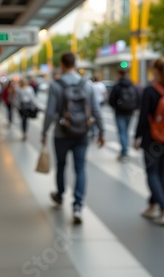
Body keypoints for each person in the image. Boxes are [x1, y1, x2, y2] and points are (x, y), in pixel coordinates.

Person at [41, 52, 105, 225]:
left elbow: (50, 112)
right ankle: (77, 206)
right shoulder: (87, 84)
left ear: (62, 64)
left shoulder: (55, 85)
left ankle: (60, 195)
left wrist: (44, 132)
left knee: (61, 165)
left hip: (61, 134)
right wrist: (102, 131)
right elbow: (96, 110)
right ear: (75, 64)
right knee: (80, 168)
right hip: (82, 133)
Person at [133, 56, 164, 226]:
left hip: (152, 138)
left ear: (156, 70)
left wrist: (136, 136)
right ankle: (153, 206)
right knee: (163, 173)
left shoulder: (150, 90)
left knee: (152, 173)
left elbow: (143, 116)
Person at [109, 69, 139, 162]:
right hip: (130, 112)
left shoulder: (117, 86)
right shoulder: (132, 85)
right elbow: (137, 97)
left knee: (122, 132)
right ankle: (124, 151)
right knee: (126, 132)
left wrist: (116, 107)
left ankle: (124, 153)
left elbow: (111, 100)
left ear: (119, 74)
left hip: (120, 112)